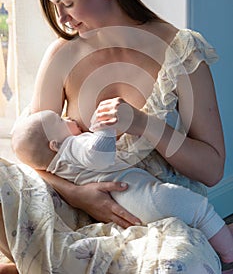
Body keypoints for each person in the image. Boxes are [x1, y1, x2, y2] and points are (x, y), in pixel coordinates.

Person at [0, 0, 228, 274]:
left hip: (158, 212)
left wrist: (143, 124)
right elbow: (34, 154)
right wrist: (80, 195)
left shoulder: (180, 53)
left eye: (68, 3)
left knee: (179, 264)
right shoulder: (63, 54)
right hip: (75, 202)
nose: (61, 19)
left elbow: (212, 170)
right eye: (54, 6)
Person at [12, 108, 233, 265]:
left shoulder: (56, 167)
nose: (67, 117)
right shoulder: (72, 145)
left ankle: (216, 254)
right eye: (60, 121)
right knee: (200, 210)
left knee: (190, 222)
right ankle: (229, 255)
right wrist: (104, 129)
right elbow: (99, 156)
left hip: (125, 207)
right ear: (54, 144)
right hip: (143, 196)